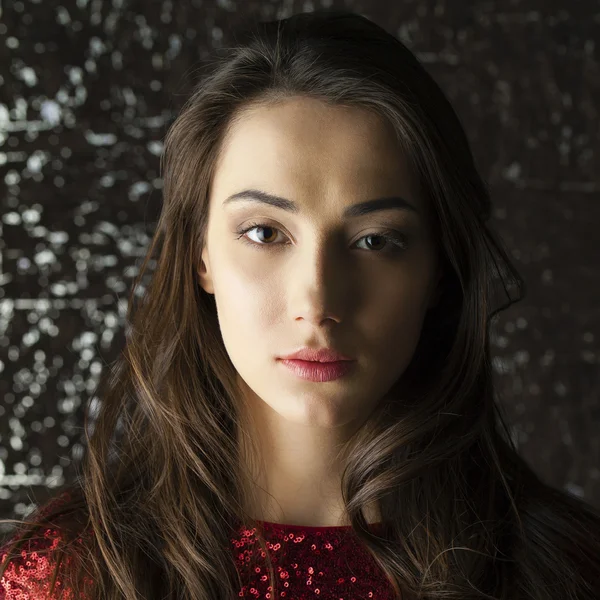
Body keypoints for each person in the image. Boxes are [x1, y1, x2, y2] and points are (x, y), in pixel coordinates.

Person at [1, 8, 599, 600]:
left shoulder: (566, 573)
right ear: (199, 254)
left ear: (437, 270)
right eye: (264, 232)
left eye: (375, 241)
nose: (317, 301)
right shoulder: (69, 576)